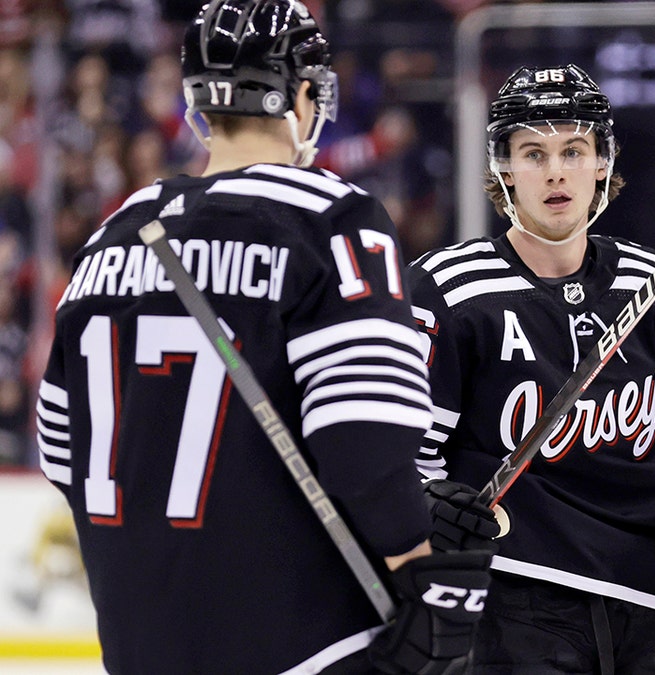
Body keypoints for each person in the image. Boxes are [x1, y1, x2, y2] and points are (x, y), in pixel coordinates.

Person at [34, 2, 491, 673]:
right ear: (304, 95)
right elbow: (364, 446)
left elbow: (60, 448)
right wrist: (423, 574)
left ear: (199, 101)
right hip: (306, 646)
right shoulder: (331, 218)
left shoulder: (115, 233)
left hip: (138, 647)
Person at [406, 63, 655, 674]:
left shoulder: (650, 284)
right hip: (510, 605)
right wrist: (425, 504)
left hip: (647, 605)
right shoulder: (449, 288)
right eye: (533, 152)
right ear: (504, 168)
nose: (554, 171)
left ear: (603, 161)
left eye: (574, 150)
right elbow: (405, 452)